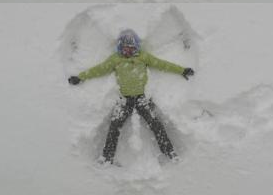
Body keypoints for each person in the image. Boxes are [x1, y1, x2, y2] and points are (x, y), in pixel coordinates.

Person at [68, 29, 194, 165]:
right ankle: (106, 157)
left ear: (136, 48)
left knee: (156, 125)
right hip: (124, 101)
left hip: (142, 99)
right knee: (114, 127)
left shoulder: (143, 57)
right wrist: (80, 77)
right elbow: (98, 69)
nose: (127, 52)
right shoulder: (115, 59)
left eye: (131, 49)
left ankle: (169, 152)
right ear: (120, 48)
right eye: (124, 49)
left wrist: (182, 70)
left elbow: (162, 64)